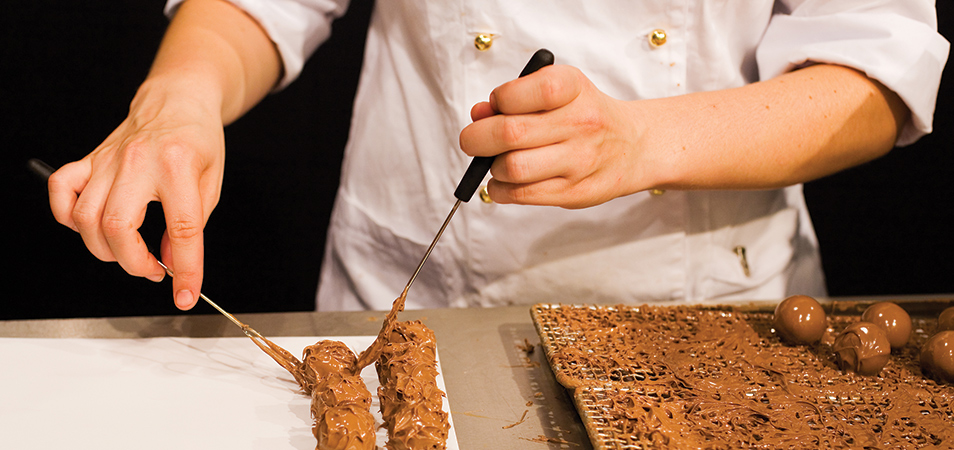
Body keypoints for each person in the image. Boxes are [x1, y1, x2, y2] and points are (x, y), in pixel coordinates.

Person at [48, 0, 949, 312]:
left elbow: (875, 67)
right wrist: (180, 98)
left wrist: (641, 139)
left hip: (711, 304)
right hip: (417, 292)